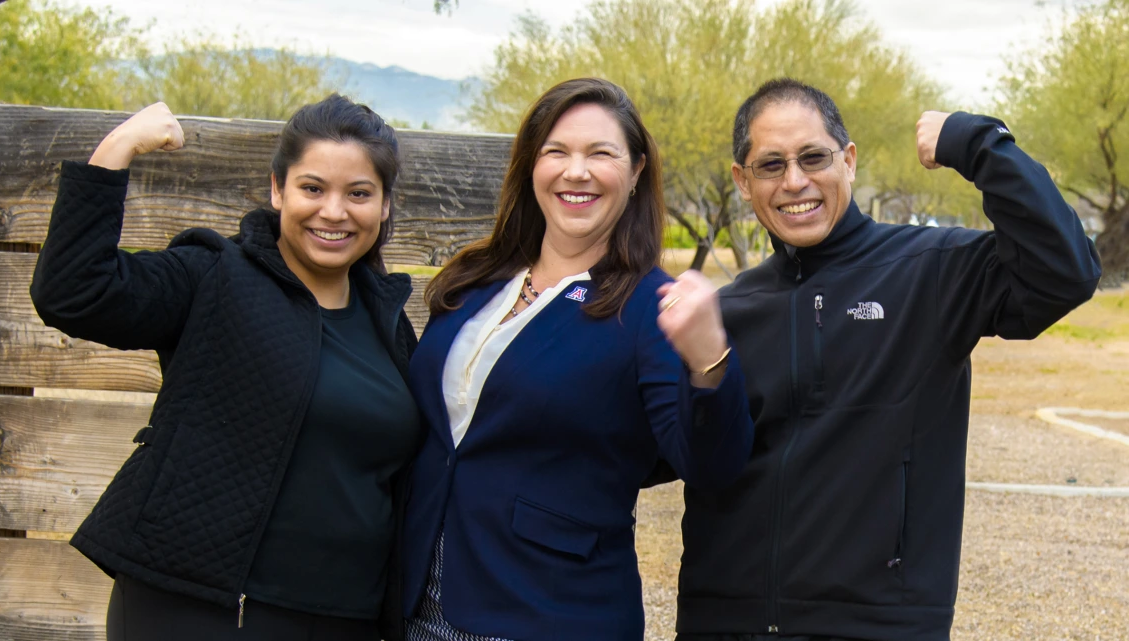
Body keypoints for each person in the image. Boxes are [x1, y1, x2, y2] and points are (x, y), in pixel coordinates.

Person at [671, 78, 1102, 641]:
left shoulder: (932, 268)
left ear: (848, 160)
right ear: (742, 182)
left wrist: (979, 144)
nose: (794, 181)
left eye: (813, 157)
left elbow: (1066, 272)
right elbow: (661, 456)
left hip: (881, 624)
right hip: (723, 623)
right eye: (770, 165)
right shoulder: (723, 312)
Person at [30, 95, 422, 641]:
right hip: (204, 611)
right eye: (312, 188)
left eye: (358, 193)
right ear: (277, 189)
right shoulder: (214, 277)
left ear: (383, 207)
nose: (334, 211)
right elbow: (75, 294)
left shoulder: (388, 324)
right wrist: (116, 149)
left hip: (345, 618)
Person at [398, 77, 754, 641]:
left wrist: (709, 359)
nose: (576, 171)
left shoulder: (648, 309)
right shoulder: (475, 282)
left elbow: (712, 466)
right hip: (418, 602)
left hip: (548, 612)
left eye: (600, 153)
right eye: (556, 152)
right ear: (530, 166)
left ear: (636, 171)